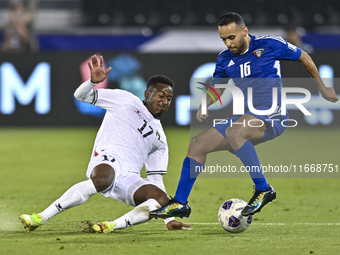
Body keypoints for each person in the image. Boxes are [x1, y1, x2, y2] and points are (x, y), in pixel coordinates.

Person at [150, 12, 338, 219]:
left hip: (272, 114)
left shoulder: (269, 44)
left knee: (234, 132)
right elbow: (219, 87)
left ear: (244, 31)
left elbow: (304, 56)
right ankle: (180, 202)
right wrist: (204, 105)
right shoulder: (224, 59)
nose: (228, 43)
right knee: (197, 144)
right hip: (249, 115)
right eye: (223, 39)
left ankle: (263, 189)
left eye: (232, 38)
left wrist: (322, 87)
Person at [20, 55, 190, 233]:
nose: (165, 102)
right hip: (107, 158)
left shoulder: (160, 138)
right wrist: (92, 82)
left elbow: (156, 180)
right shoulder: (125, 100)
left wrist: (168, 217)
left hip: (129, 177)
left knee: (159, 197)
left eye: (169, 98)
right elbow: (81, 96)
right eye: (161, 96)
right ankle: (40, 217)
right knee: (103, 179)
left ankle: (111, 226)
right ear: (147, 94)